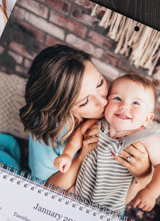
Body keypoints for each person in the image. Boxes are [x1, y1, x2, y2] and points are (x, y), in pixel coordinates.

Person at [19, 45, 152, 204]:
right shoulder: (49, 132)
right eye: (85, 102)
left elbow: (124, 194)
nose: (103, 101)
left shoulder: (118, 112)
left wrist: (143, 177)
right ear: (62, 108)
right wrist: (82, 154)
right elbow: (46, 190)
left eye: (100, 83)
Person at [54, 74, 160, 213]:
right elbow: (79, 134)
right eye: (117, 98)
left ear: (148, 118)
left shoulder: (147, 138)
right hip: (77, 191)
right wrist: (68, 154)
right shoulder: (97, 125)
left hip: (109, 207)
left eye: (136, 103)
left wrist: (151, 191)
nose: (124, 106)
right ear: (106, 102)